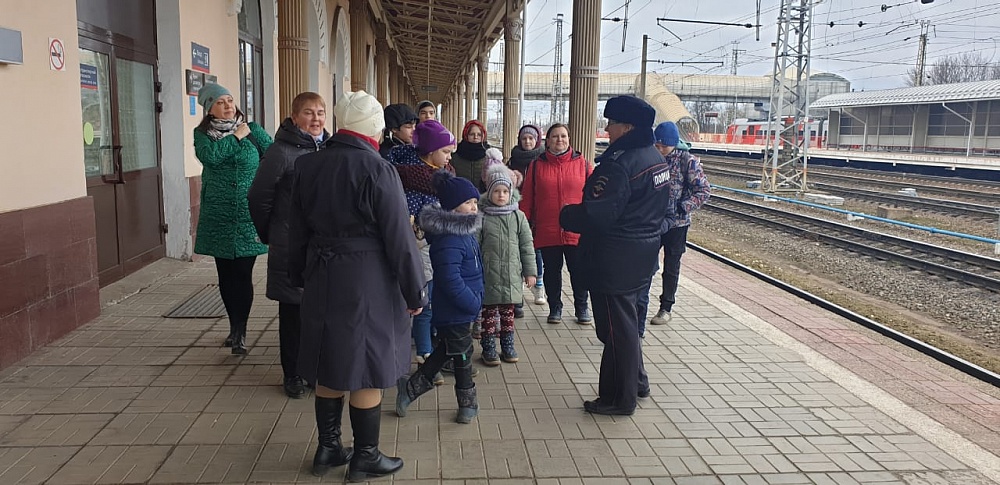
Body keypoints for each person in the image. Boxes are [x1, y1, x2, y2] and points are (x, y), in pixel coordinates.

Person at [288, 90, 427, 481]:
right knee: (366, 364)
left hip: (322, 273)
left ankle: (328, 449)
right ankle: (366, 456)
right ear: (373, 128)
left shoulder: (308, 166)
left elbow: (295, 231)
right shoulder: (378, 169)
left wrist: (299, 275)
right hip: (367, 277)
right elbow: (399, 237)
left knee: (329, 361)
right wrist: (415, 289)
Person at [559, 95, 674, 416]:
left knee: (615, 330)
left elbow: (598, 214)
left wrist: (567, 214)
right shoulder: (653, 157)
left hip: (614, 259)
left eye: (611, 123)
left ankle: (617, 399)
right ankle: (637, 382)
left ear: (627, 127)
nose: (606, 129)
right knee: (627, 322)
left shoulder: (620, 164)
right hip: (643, 254)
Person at [248, 91, 330, 398]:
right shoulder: (280, 152)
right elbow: (258, 197)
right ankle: (293, 373)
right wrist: (271, 233)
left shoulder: (329, 149)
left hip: (322, 243)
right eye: (309, 113)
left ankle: (314, 370)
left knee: (318, 312)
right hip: (291, 242)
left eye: (320, 112)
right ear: (295, 117)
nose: (316, 118)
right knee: (293, 313)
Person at [395, 170, 484, 424]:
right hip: (456, 307)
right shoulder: (449, 239)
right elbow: (449, 279)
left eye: (475, 202)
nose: (474, 207)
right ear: (453, 207)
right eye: (468, 203)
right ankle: (468, 403)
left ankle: (411, 388)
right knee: (463, 353)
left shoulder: (465, 233)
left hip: (464, 306)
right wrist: (473, 301)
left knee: (448, 348)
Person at [193, 83, 272, 355]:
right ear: (209, 108)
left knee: (243, 274)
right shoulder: (203, 134)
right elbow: (211, 158)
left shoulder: (253, 129)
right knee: (225, 275)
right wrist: (236, 136)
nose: (228, 105)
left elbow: (273, 155)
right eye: (220, 102)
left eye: (230, 100)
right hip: (218, 216)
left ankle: (241, 330)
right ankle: (233, 325)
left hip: (247, 214)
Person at [388, 119, 457, 383]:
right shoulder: (409, 180)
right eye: (446, 152)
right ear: (430, 152)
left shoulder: (445, 174)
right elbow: (405, 216)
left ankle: (433, 349)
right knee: (422, 302)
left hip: (441, 246)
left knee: (436, 299)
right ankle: (423, 354)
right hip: (420, 248)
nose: (450, 158)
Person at [519, 123, 592, 325]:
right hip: (547, 228)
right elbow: (527, 198)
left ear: (569, 139)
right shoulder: (536, 165)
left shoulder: (582, 164)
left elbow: (593, 196)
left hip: (577, 230)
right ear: (547, 140)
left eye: (563, 136)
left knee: (579, 270)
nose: (559, 140)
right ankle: (555, 308)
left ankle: (581, 307)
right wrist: (524, 224)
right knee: (552, 271)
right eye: (554, 137)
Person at [644, 122, 711, 329]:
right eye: (657, 145)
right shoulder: (651, 159)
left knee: (671, 267)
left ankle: (666, 307)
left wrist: (683, 207)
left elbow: (703, 191)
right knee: (646, 264)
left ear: (673, 144)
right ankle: (640, 301)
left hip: (678, 224)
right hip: (652, 221)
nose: (659, 149)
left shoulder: (687, 161)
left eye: (663, 145)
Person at [477, 164, 536, 365]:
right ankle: (488, 348)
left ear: (511, 192)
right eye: (496, 191)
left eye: (505, 191)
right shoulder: (482, 216)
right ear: (489, 192)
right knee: (489, 315)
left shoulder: (518, 217)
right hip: (488, 274)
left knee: (508, 315)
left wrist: (530, 272)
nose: (501, 195)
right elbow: (475, 246)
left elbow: (527, 246)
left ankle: (508, 346)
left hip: (511, 274)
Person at [508, 124, 547, 307]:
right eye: (524, 138)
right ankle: (519, 288)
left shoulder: (542, 160)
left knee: (535, 250)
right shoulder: (513, 160)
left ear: (537, 140)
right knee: (516, 249)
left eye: (531, 138)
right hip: (515, 211)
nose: (528, 142)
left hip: (535, 213)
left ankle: (539, 286)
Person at [450, 120, 492, 191]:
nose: (475, 137)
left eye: (479, 134)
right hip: (461, 196)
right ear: (466, 135)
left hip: (484, 198)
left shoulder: (489, 156)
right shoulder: (455, 157)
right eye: (472, 134)